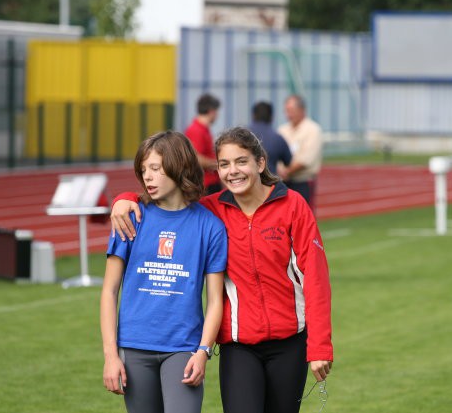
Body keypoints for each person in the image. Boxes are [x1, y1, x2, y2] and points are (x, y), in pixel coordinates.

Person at [110, 127, 333, 413]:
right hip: (238, 345)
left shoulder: (293, 207)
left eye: (241, 161)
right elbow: (170, 204)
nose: (233, 171)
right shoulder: (211, 211)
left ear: (260, 163)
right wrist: (124, 198)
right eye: (224, 164)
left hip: (289, 342)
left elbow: (315, 279)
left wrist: (320, 348)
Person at [100, 131, 227, 413]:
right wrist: (111, 355)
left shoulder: (211, 227)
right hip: (134, 348)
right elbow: (109, 292)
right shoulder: (129, 217)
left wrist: (203, 351)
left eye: (156, 169)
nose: (148, 177)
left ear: (179, 167)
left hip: (183, 349)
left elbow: (216, 300)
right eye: (143, 170)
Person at [278, 94, 323, 211]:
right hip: (284, 183)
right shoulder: (282, 130)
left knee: (304, 217)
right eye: (286, 111)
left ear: (302, 110)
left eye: (291, 110)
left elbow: (306, 159)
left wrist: (287, 171)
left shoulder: (312, 130)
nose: (288, 114)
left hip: (303, 182)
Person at [185, 93, 222, 194]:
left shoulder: (203, 129)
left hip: (210, 182)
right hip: (206, 184)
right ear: (211, 111)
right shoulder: (196, 130)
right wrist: (219, 165)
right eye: (217, 111)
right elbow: (196, 158)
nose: (217, 115)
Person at [248, 100, 292, 175]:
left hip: (244, 181)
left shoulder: (241, 136)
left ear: (253, 115)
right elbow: (288, 162)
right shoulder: (277, 138)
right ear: (271, 117)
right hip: (269, 183)